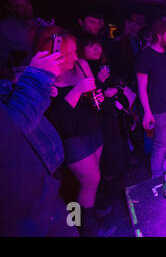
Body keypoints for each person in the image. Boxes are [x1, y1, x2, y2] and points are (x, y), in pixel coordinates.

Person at [36, 26, 115, 236]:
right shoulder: (47, 76)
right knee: (91, 180)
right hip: (72, 137)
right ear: (52, 54)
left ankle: (91, 215)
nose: (73, 57)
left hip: (92, 127)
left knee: (91, 181)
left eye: (73, 51)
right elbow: (57, 118)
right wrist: (78, 90)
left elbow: (94, 94)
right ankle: (87, 229)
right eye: (66, 54)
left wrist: (97, 96)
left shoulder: (81, 65)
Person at [0, 51, 79, 236]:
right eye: (67, 52)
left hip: (43, 172)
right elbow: (12, 130)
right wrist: (37, 82)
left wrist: (18, 88)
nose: (73, 56)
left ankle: (83, 227)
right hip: (21, 206)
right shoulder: (40, 75)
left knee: (71, 209)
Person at [78, 34, 135, 180]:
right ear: (81, 48)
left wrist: (115, 89)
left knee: (119, 137)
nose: (97, 49)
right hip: (98, 115)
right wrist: (102, 86)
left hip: (112, 110)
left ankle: (123, 167)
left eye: (98, 45)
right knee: (108, 143)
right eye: (91, 45)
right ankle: (112, 174)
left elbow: (115, 82)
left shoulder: (103, 65)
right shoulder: (80, 68)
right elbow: (88, 95)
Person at [136, 20, 166, 178]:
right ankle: (156, 174)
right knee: (160, 143)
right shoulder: (144, 56)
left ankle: (164, 163)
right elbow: (141, 87)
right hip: (157, 109)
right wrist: (147, 112)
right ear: (159, 36)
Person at [0, 0, 41, 76]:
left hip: (44, 73)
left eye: (27, 4)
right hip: (21, 76)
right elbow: (1, 59)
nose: (26, 9)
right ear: (9, 8)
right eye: (19, 6)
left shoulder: (42, 24)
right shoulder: (4, 27)